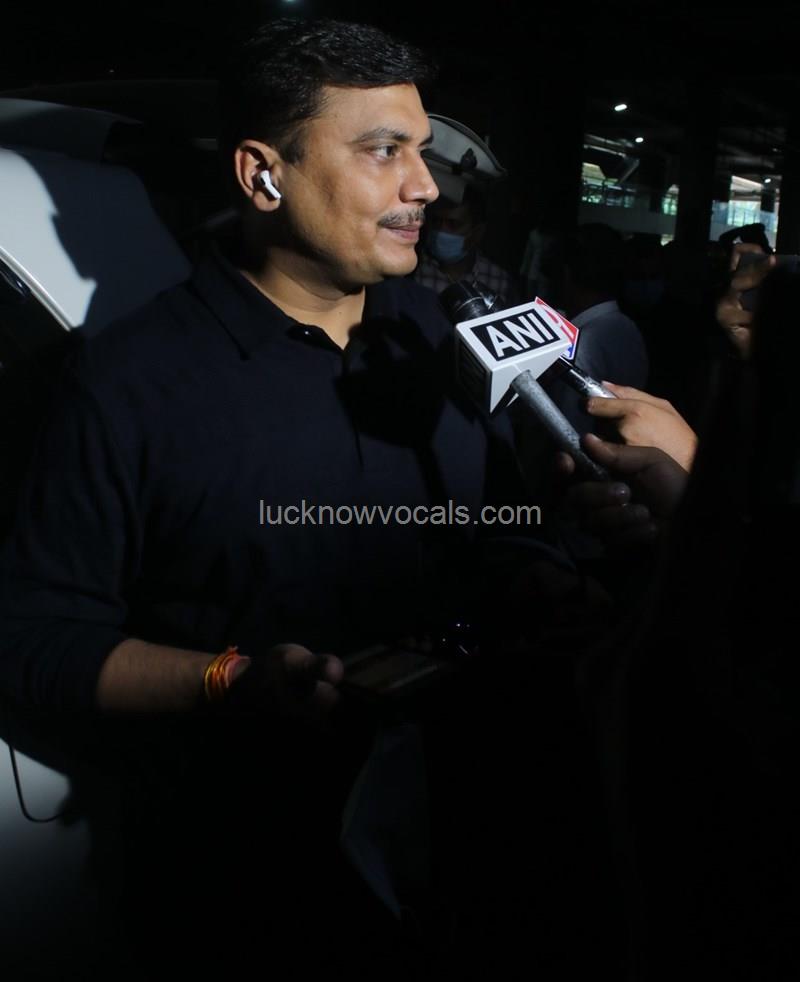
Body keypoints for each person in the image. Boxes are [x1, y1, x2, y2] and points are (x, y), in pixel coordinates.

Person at [0, 18, 531, 976]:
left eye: (422, 151)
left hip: (463, 839)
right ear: (262, 176)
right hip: (246, 884)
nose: (426, 186)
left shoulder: (435, 333)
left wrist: (552, 555)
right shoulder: (129, 386)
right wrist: (228, 681)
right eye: (385, 151)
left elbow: (498, 527)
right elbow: (35, 638)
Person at [414, 187, 521, 304]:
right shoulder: (415, 271)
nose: (441, 231)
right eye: (436, 221)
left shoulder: (499, 281)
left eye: (453, 224)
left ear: (477, 232)